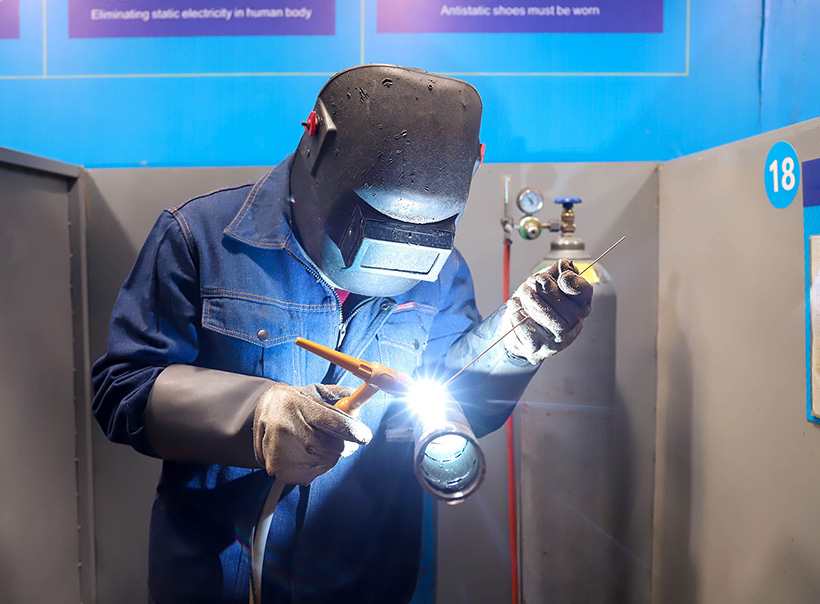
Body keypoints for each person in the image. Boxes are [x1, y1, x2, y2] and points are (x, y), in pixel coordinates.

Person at [92, 64, 592, 603]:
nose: (403, 261)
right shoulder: (203, 239)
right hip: (220, 579)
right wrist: (254, 417)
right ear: (317, 151)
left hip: (367, 578)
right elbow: (123, 390)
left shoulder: (442, 270)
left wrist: (513, 345)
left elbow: (452, 398)